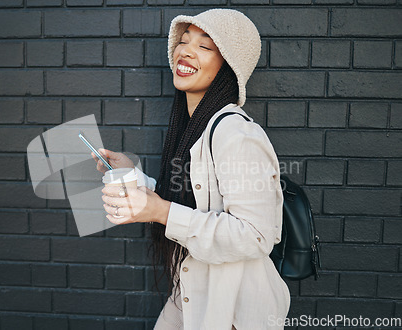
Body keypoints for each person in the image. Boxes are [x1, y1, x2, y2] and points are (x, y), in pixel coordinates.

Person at [92, 8, 290, 330]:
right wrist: (134, 177)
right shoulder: (194, 126)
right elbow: (193, 201)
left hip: (233, 313)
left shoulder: (236, 133)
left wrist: (162, 213)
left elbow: (256, 235)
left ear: (228, 66)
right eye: (184, 41)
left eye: (204, 46)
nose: (185, 50)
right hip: (189, 297)